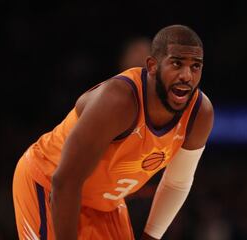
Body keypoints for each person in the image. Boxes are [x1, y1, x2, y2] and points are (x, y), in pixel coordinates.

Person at [12, 24, 214, 240]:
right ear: (153, 66)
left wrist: (150, 237)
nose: (187, 75)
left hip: (105, 203)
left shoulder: (200, 114)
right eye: (177, 63)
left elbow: (177, 183)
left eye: (195, 66)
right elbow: (65, 182)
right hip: (49, 183)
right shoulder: (118, 101)